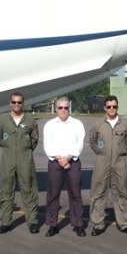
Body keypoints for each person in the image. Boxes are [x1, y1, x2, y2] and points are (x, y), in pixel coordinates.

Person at [89, 95, 127, 236]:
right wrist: (101, 152)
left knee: (121, 192)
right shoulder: (97, 125)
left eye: (114, 106)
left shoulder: (125, 124)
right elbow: (93, 142)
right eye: (109, 106)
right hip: (102, 161)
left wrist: (121, 152)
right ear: (105, 108)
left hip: (119, 161)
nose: (111, 109)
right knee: (98, 192)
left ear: (117, 107)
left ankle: (124, 223)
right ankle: (98, 224)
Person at [0, 92, 40, 234]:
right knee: (5, 189)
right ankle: (6, 222)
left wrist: (24, 149)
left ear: (23, 103)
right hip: (7, 158)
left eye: (19, 102)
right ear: (10, 103)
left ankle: (32, 221)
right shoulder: (3, 120)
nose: (16, 105)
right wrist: (10, 148)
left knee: (29, 188)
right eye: (14, 102)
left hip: (25, 158)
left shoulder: (30, 120)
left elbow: (34, 139)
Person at [42, 98, 86, 237]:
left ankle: (78, 224)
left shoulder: (77, 124)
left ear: (69, 109)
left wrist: (67, 158)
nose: (63, 110)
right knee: (53, 195)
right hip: (55, 163)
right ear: (56, 109)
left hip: (72, 162)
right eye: (60, 108)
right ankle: (52, 225)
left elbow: (80, 143)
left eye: (65, 108)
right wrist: (59, 159)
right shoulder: (49, 125)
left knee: (76, 195)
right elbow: (47, 145)